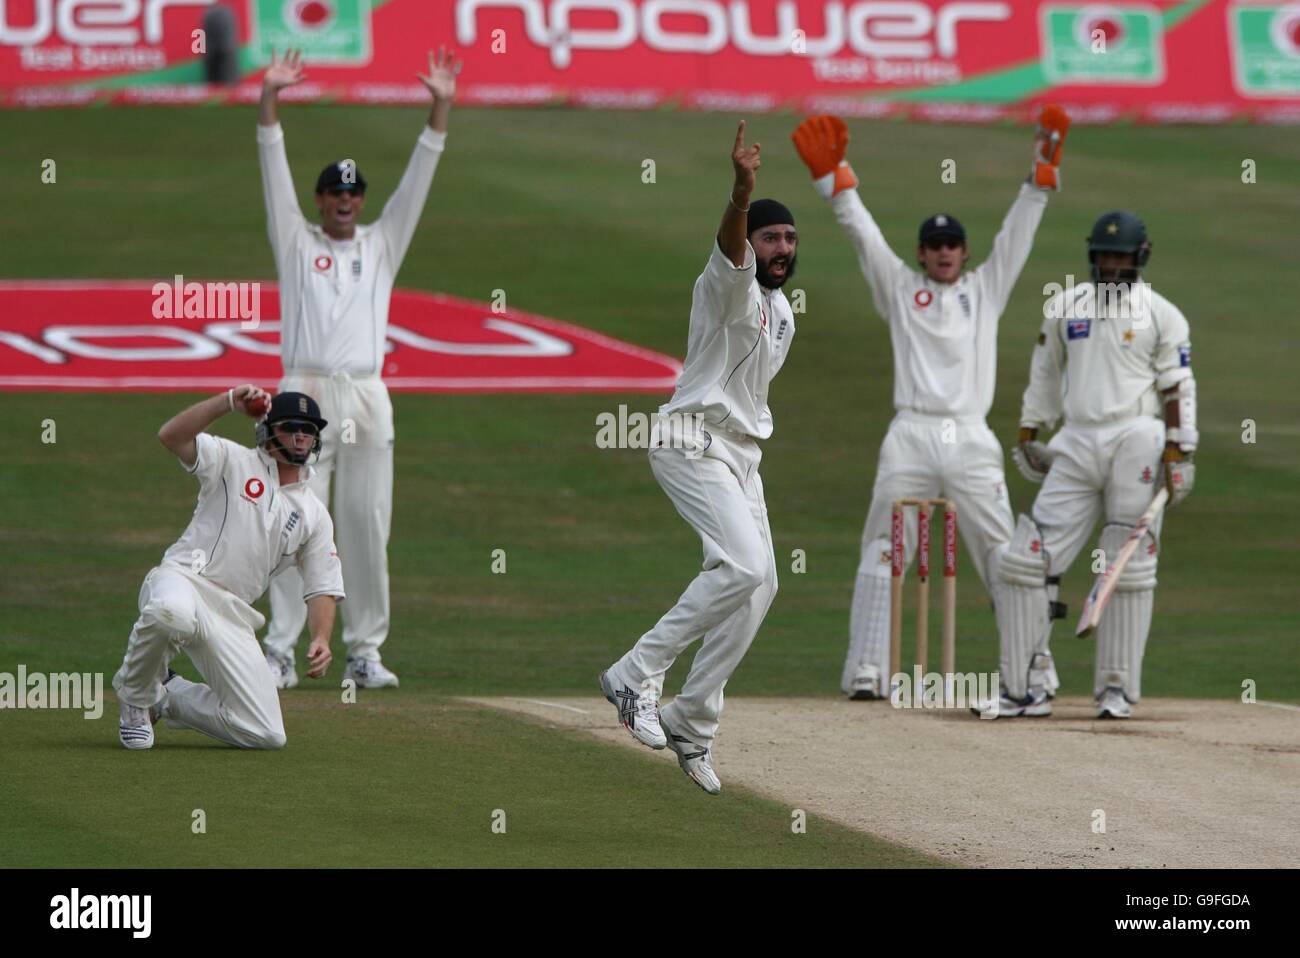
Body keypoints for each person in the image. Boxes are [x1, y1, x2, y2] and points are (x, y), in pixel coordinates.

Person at [789, 109, 1068, 700]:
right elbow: (862, 234)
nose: (944, 253)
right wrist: (833, 178)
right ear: (921, 253)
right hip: (911, 433)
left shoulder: (985, 291)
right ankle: (867, 670)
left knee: (1002, 553)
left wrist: (1039, 180)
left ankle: (1031, 669)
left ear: (965, 253)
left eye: (953, 245)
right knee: (886, 548)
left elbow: (1015, 237)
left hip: (969, 438)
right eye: (935, 245)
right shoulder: (898, 288)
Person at [598, 122, 797, 795]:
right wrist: (743, 193)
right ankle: (635, 673)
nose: (780, 248)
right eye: (771, 237)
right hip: (690, 439)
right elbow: (729, 247)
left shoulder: (785, 312)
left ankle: (692, 718)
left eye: (789, 239)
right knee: (739, 565)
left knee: (761, 585)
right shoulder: (727, 281)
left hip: (742, 456)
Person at [255, 46, 460, 690]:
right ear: (318, 200)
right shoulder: (295, 240)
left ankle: (365, 651)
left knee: (368, 527)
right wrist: (269, 101)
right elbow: (271, 171)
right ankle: (279, 650)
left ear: (362, 200)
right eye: (333, 192)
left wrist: (441, 107)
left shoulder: (382, 243)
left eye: (353, 192)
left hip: (368, 395)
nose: (344, 201)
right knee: (293, 524)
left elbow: (418, 185)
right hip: (303, 393)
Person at [979, 210, 1195, 719]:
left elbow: (1177, 385)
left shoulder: (1163, 314)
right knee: (1024, 560)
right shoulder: (1064, 307)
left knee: (1129, 562)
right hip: (1076, 439)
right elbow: (1045, 373)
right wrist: (1032, 428)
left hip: (1138, 437)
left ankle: (1116, 690)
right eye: (1103, 256)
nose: (1111, 266)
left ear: (1141, 257)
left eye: (1120, 257)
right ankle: (1023, 688)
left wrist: (1180, 448)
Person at [115, 386, 344, 750]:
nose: (302, 436)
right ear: (268, 430)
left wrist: (320, 638)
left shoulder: (314, 514)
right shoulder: (231, 459)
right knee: (168, 614)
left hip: (233, 613)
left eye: (310, 429)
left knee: (266, 733)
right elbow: (171, 435)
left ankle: (166, 698)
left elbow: (322, 586)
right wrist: (228, 401)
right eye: (292, 426)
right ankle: (135, 697)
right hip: (184, 580)